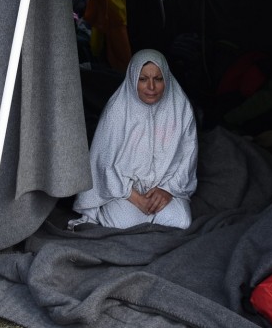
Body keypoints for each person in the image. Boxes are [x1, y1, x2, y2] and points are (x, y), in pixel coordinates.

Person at [70, 48, 198, 229]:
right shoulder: (117, 110)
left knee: (182, 221)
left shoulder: (181, 108)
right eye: (143, 79)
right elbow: (102, 162)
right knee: (123, 223)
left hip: (164, 188)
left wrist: (167, 190)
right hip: (124, 191)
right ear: (132, 79)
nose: (151, 87)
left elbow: (188, 155)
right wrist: (136, 198)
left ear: (167, 79)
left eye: (158, 79)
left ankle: (152, 210)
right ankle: (114, 211)